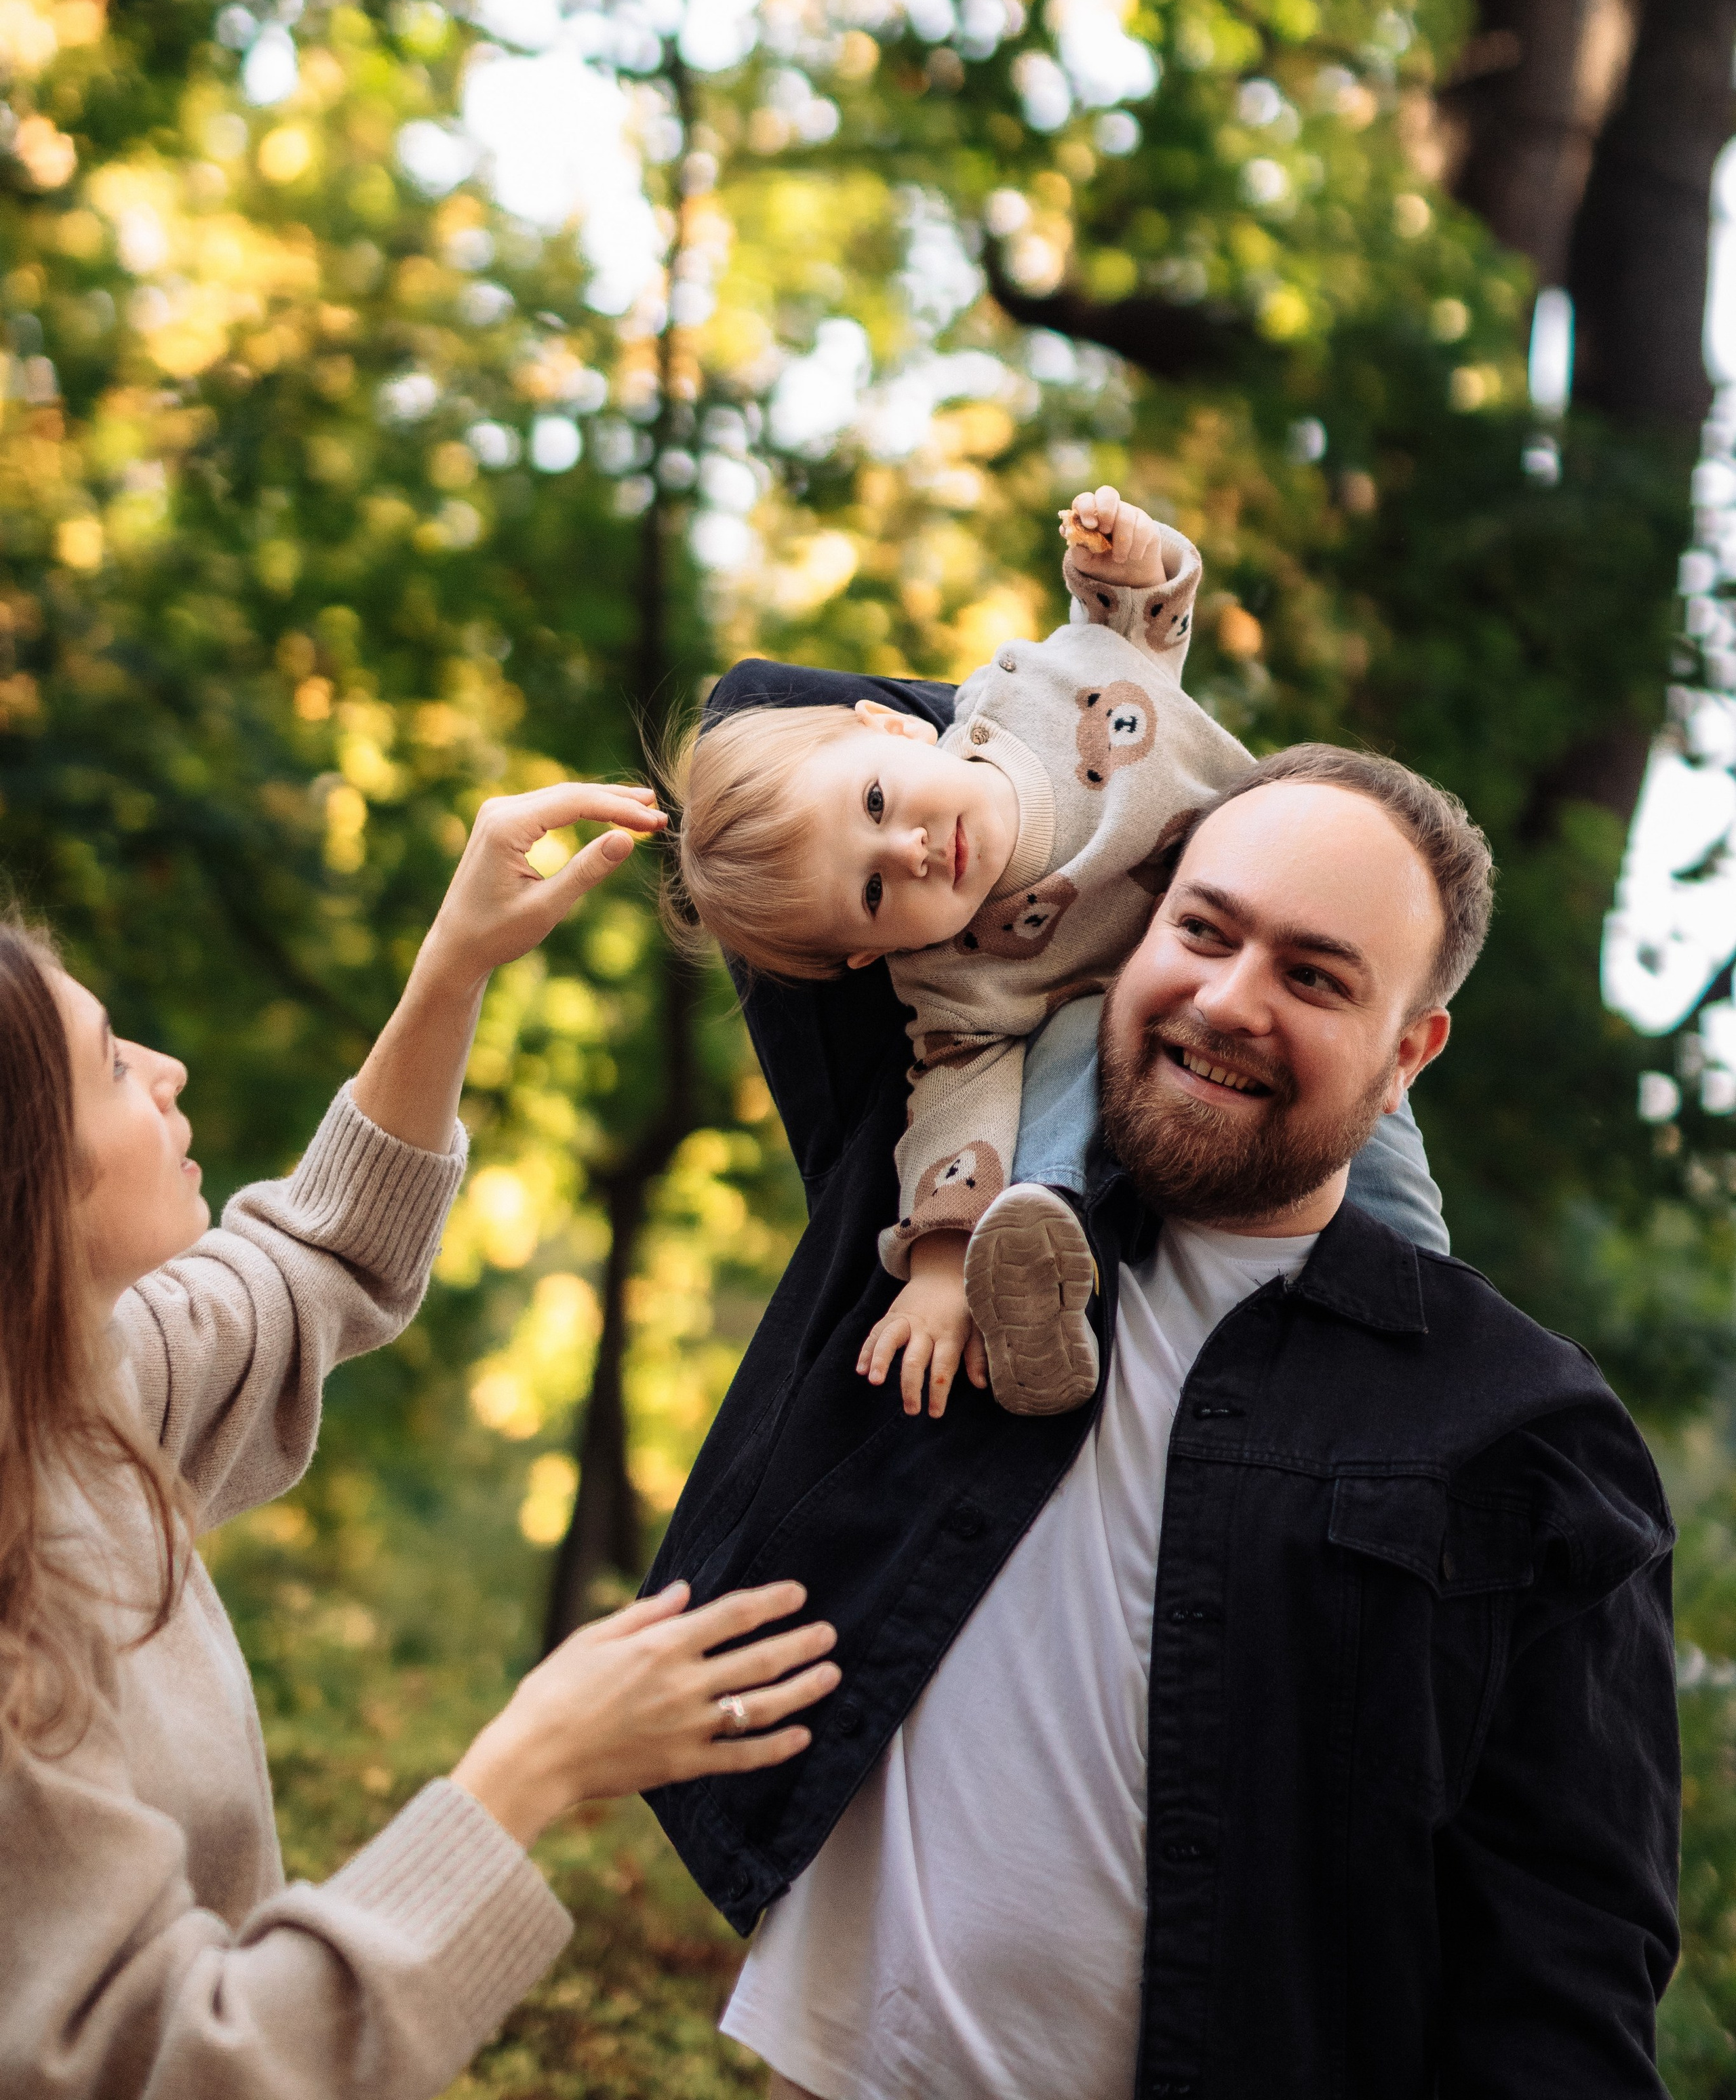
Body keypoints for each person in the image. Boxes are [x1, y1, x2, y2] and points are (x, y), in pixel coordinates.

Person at [646, 731, 1680, 2100]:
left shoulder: (1524, 1431)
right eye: (1202, 928)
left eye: (1314, 976)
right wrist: (1074, 785)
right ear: (1131, 922)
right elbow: (765, 711)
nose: (1230, 1001)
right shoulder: (932, 1195)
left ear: (1404, 1055)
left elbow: (1564, 1960)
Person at [0, 776, 842, 2100]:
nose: (166, 1071)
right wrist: (532, 1764)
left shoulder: (71, 1399)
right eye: (110, 1067)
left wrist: (457, 963)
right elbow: (196, 2069)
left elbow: (310, 1264)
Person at [669, 486, 1263, 1420]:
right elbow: (953, 1112)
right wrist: (943, 1267)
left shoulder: (1025, 691)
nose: (906, 852)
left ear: (894, 725)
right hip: (1207, 1027)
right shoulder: (954, 984)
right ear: (868, 958)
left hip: (1288, 888)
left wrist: (1130, 565)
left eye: (874, 803)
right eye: (872, 894)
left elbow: (1132, 640)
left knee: (1398, 1207)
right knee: (1073, 1045)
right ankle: (1034, 1250)